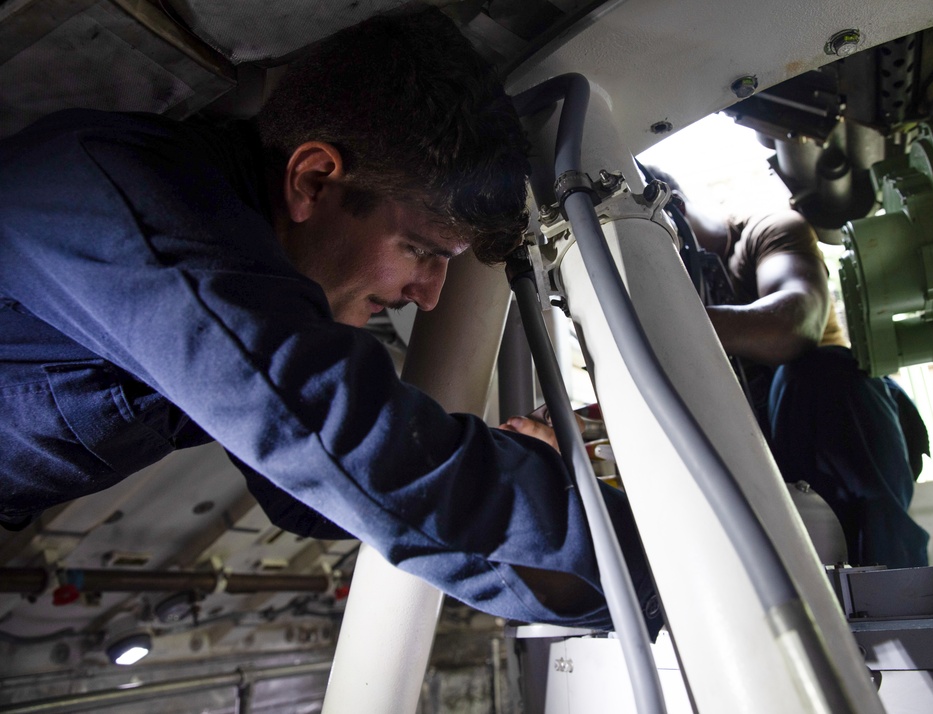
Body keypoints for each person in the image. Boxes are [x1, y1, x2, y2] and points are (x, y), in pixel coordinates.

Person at [0, 9, 661, 634]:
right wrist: (661, 560)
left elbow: (301, 493)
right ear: (314, 179)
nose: (428, 296)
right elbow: (343, 440)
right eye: (422, 251)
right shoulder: (142, 214)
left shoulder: (252, 272)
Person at [649, 168, 930, 569]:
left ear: (671, 205)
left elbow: (794, 325)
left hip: (843, 427)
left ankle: (898, 582)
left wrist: (660, 324)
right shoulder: (667, 286)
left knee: (817, 369)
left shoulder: (767, 229)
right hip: (762, 456)